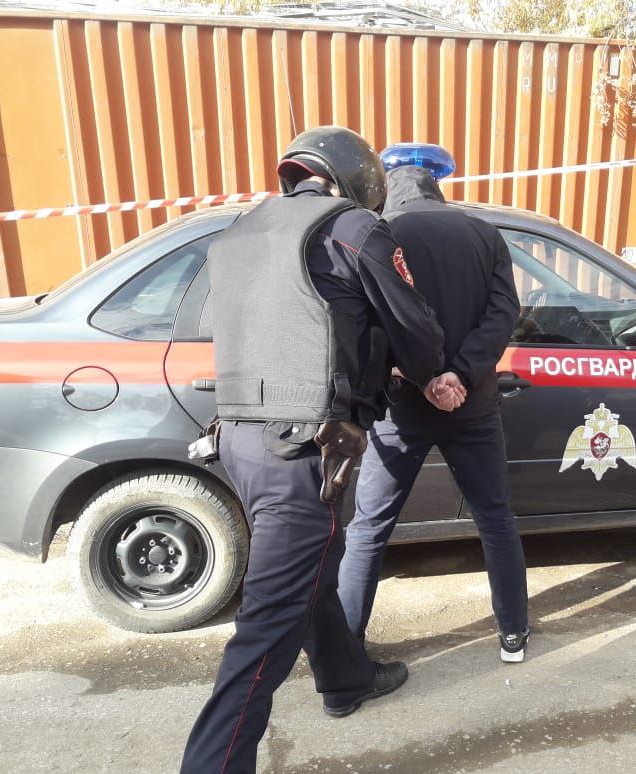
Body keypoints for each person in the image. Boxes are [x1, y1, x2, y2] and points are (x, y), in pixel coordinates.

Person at [182, 126, 446, 773]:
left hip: (238, 440)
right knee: (265, 630)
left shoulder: (243, 229)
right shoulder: (353, 228)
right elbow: (414, 328)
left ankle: (345, 678)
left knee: (309, 571)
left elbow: (220, 324)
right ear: (359, 179)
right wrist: (423, 366)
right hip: (303, 451)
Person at [337, 147, 531, 663]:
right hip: (473, 404)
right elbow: (503, 312)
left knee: (369, 528)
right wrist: (459, 375)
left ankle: (346, 649)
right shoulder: (483, 234)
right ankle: (513, 633)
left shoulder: (376, 234)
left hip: (401, 407)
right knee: (495, 518)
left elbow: (369, 321)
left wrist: (420, 375)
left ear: (388, 187)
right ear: (437, 185)